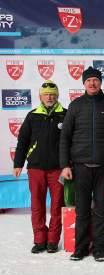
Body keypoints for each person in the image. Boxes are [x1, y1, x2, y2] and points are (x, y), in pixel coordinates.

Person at [60, 67, 104, 262]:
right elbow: (65, 137)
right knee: (81, 209)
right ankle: (80, 248)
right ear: (83, 83)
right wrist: (65, 164)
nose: (92, 83)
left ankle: (99, 249)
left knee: (100, 209)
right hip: (79, 167)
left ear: (100, 83)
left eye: (95, 80)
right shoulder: (76, 106)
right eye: (88, 80)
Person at [13, 80, 67, 254]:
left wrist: (69, 165)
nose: (49, 97)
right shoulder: (32, 115)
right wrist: (18, 163)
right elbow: (23, 141)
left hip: (58, 169)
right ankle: (39, 240)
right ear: (40, 97)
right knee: (37, 205)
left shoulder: (65, 115)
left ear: (57, 96)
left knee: (57, 205)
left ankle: (52, 241)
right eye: (46, 94)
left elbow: (71, 142)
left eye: (52, 94)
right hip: (35, 168)